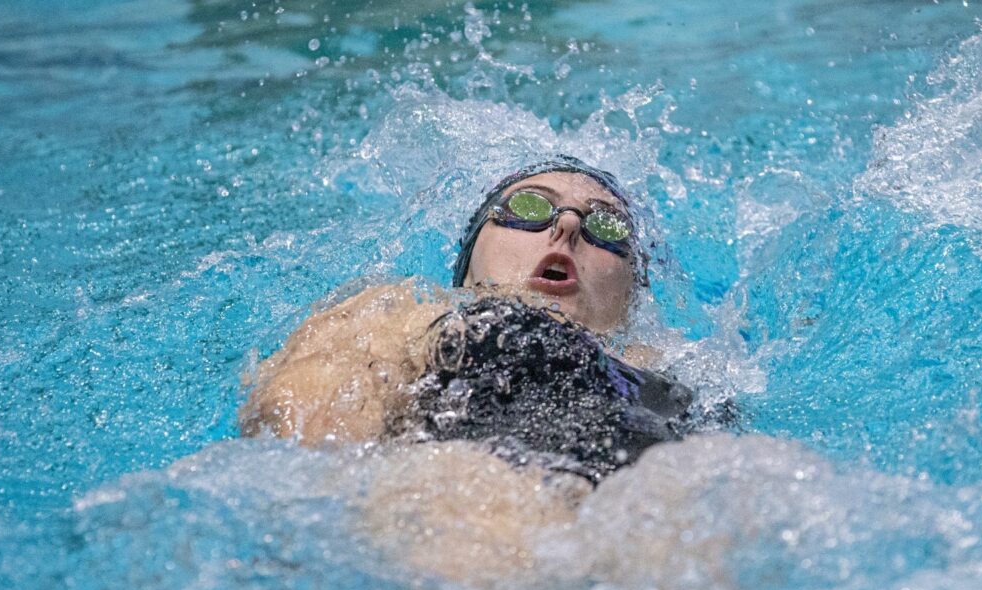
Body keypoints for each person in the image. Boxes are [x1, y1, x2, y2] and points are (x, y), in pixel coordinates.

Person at [240, 157, 695, 487]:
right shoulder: (402, 316)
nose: (569, 226)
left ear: (633, 292)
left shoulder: (684, 374)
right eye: (531, 208)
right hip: (471, 501)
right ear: (470, 261)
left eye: (609, 227)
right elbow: (303, 445)